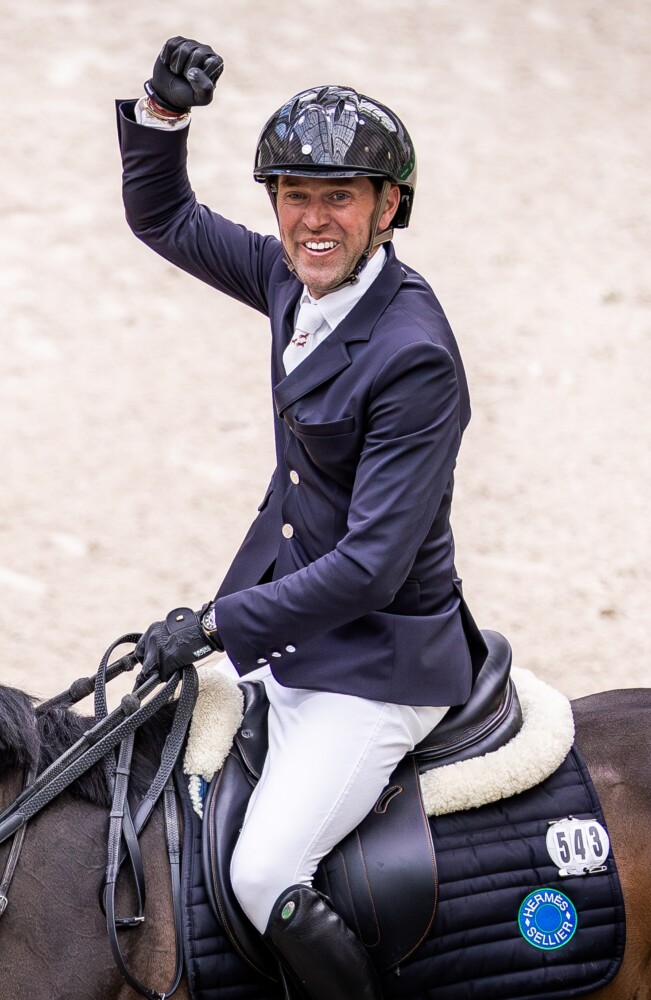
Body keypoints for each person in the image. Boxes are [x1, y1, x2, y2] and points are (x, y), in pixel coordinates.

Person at [119, 36, 489, 1000]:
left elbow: (370, 567)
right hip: (296, 637)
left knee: (259, 870)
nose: (312, 220)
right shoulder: (295, 280)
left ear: (387, 208)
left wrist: (214, 623)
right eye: (293, 196)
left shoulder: (414, 356)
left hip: (378, 665)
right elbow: (164, 218)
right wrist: (163, 114)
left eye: (339, 199)